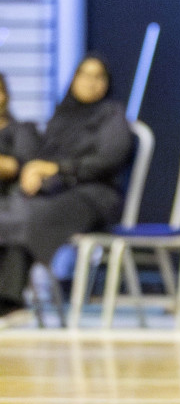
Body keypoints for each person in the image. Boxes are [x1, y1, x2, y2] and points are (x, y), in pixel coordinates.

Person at [0, 58, 125, 321]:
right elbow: (41, 157)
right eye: (84, 75)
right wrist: (33, 171)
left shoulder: (112, 115)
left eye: (98, 76)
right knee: (11, 210)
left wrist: (57, 168)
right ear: (73, 79)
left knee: (28, 216)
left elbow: (109, 159)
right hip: (56, 192)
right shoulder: (61, 117)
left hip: (94, 195)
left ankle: (10, 301)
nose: (90, 82)